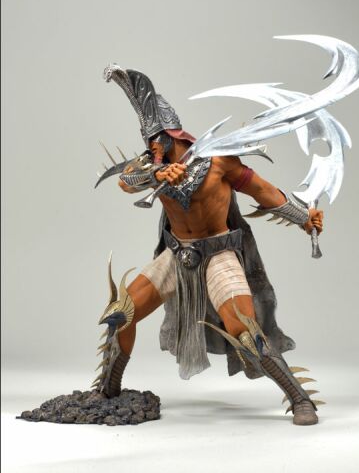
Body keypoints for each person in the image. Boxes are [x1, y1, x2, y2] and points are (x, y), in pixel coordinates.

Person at [94, 66, 324, 426]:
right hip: (176, 255)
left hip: (218, 254)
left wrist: (303, 218)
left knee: (245, 330)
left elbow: (263, 191)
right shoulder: (153, 164)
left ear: (172, 134)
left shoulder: (219, 162)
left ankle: (300, 399)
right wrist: (156, 173)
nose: (151, 147)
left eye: (156, 139)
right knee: (121, 313)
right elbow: (126, 181)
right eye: (148, 141)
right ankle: (107, 392)